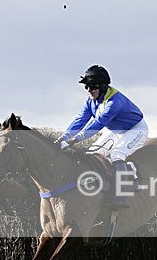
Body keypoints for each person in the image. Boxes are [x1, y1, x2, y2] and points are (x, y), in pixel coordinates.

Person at [56, 65, 148, 208]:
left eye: (92, 87)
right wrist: (63, 137)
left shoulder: (114, 102)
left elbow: (98, 124)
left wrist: (74, 140)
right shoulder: (90, 101)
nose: (89, 91)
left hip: (135, 129)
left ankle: (122, 195)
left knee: (117, 155)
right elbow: (80, 120)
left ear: (103, 86)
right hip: (115, 130)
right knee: (93, 154)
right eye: (86, 87)